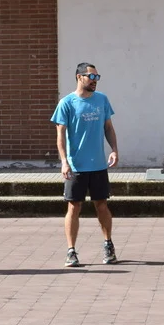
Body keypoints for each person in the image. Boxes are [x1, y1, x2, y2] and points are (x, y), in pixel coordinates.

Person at [51, 62, 119, 268]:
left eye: (97, 77)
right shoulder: (66, 103)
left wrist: (114, 149)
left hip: (98, 165)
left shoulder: (102, 100)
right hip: (76, 166)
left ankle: (108, 244)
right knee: (74, 206)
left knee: (102, 205)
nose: (95, 81)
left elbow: (108, 127)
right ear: (79, 77)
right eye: (91, 77)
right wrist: (64, 162)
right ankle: (71, 250)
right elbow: (60, 136)